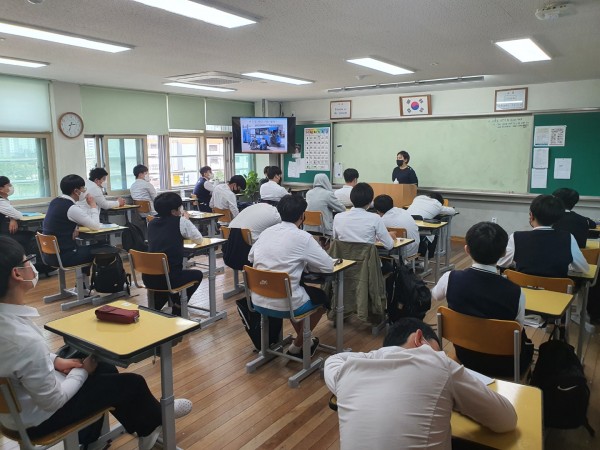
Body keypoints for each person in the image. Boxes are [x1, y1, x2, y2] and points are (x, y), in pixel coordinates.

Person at [0, 236, 192, 450]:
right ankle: (156, 419)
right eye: (28, 261)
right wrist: (82, 371)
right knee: (132, 383)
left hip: (14, 412)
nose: (32, 266)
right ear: (17, 274)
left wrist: (56, 361)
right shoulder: (22, 340)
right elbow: (53, 400)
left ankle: (101, 435)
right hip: (40, 420)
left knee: (103, 365)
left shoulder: (9, 326)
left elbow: (20, 360)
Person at [324, 318, 517, 450]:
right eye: (437, 349)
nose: (440, 354)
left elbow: (333, 361)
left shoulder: (347, 370)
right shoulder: (438, 362)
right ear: (419, 338)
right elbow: (506, 421)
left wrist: (380, 355)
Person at [432, 222, 532, 378]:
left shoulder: (450, 278)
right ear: (504, 253)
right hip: (506, 364)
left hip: (466, 355)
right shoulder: (516, 292)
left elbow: (436, 295)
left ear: (467, 250)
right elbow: (517, 327)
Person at [248, 195, 335, 357]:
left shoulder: (266, 232)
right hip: (286, 302)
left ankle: (306, 341)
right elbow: (328, 266)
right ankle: (298, 345)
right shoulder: (303, 237)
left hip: (257, 299)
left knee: (292, 291)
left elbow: (251, 258)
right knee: (322, 299)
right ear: (303, 216)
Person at [498, 194, 589, 277]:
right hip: (556, 292)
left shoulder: (516, 237)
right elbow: (583, 269)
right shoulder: (568, 238)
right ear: (558, 218)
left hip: (524, 291)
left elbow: (501, 263)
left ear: (531, 216)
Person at [144, 192, 204, 316]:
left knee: (167, 277)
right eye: (180, 208)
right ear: (174, 211)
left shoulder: (151, 223)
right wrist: (186, 221)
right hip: (170, 279)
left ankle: (162, 306)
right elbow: (199, 239)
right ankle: (178, 305)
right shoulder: (181, 221)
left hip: (149, 278)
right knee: (197, 274)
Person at [42, 175, 106, 271]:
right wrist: (93, 205)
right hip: (65, 257)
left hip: (49, 256)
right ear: (76, 191)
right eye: (83, 189)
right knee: (104, 247)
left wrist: (74, 226)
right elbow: (96, 226)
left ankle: (85, 283)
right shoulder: (71, 208)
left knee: (88, 247)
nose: (85, 191)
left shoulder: (55, 201)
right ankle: (98, 283)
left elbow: (61, 221)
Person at [332, 183, 394, 251]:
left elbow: (336, 240)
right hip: (367, 260)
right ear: (370, 202)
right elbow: (389, 246)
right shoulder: (375, 218)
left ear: (351, 198)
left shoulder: (338, 217)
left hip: (345, 258)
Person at [407, 192, 456, 258]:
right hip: (419, 230)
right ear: (439, 201)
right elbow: (452, 211)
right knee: (434, 233)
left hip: (406, 227)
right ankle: (428, 257)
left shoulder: (418, 198)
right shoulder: (437, 205)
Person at [0, 176, 33, 250]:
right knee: (31, 236)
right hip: (2, 236)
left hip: (3, 232)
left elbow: (11, 213)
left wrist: (12, 218)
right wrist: (13, 217)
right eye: (8, 185)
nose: (11, 187)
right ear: (1, 189)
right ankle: (26, 260)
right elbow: (18, 215)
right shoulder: (1, 202)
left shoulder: (4, 200)